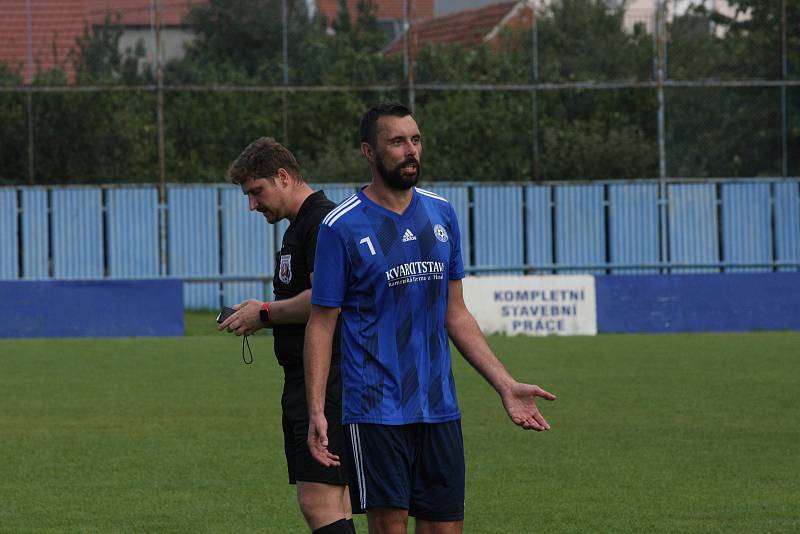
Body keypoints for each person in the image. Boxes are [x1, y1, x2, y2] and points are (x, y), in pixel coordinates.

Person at [303, 103, 557, 534]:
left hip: (439, 407)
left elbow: (455, 313)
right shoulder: (341, 226)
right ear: (369, 151)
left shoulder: (441, 214)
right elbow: (322, 324)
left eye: (416, 140)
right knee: (390, 528)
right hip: (375, 409)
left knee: (445, 529)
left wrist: (505, 384)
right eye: (397, 142)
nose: (410, 151)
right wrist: (316, 410)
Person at [218, 137, 356, 534]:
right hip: (308, 379)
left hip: (328, 379)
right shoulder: (301, 225)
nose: (252, 205)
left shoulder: (321, 222)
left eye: (256, 192)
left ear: (283, 176)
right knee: (333, 500)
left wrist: (264, 312)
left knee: (319, 500)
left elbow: (326, 300)